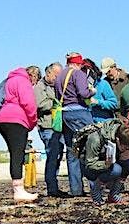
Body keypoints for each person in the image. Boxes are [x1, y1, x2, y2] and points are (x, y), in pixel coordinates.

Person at [0, 65, 40, 202]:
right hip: (15, 119)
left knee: (15, 153)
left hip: (1, 118)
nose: (34, 85)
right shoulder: (23, 81)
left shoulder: (10, 80)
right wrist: (33, 121)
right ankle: (19, 190)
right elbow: (29, 103)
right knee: (17, 154)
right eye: (35, 81)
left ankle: (18, 189)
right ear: (33, 76)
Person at [54, 53, 96, 197]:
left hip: (65, 115)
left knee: (72, 152)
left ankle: (76, 189)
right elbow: (83, 94)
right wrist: (92, 91)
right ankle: (95, 187)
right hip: (79, 113)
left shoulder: (59, 76)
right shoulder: (78, 74)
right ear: (78, 64)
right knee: (91, 149)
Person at [78, 119, 129, 204]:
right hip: (91, 166)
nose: (126, 149)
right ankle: (96, 190)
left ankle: (114, 194)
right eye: (126, 147)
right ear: (118, 140)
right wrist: (106, 164)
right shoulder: (95, 138)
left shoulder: (122, 134)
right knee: (116, 170)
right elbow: (89, 163)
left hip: (110, 161)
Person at [34, 62, 69, 198]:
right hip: (47, 126)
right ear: (48, 73)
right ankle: (52, 188)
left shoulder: (58, 86)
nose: (58, 78)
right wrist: (55, 102)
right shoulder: (39, 87)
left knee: (58, 156)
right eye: (56, 75)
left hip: (59, 126)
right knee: (52, 156)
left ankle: (54, 186)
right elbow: (40, 104)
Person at [83, 58, 118, 123]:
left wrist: (97, 102)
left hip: (104, 125)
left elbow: (114, 104)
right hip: (89, 125)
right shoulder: (82, 86)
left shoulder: (103, 84)